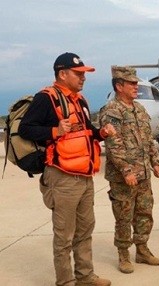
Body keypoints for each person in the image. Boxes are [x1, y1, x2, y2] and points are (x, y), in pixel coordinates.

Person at [18, 52, 114, 286]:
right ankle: (65, 280)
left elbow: (86, 130)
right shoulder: (46, 98)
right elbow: (26, 129)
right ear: (62, 74)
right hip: (62, 177)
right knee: (64, 234)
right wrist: (54, 131)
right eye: (78, 73)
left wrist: (101, 133)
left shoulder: (79, 100)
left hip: (84, 176)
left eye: (84, 74)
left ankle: (85, 276)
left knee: (85, 230)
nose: (83, 78)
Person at [99, 66, 159, 274]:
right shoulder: (112, 111)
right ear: (119, 86)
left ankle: (142, 250)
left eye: (136, 83)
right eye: (132, 83)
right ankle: (124, 254)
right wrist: (126, 171)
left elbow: (148, 138)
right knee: (124, 216)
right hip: (123, 177)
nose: (136, 86)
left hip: (143, 173)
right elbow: (113, 145)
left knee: (145, 212)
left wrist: (155, 161)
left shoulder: (139, 110)